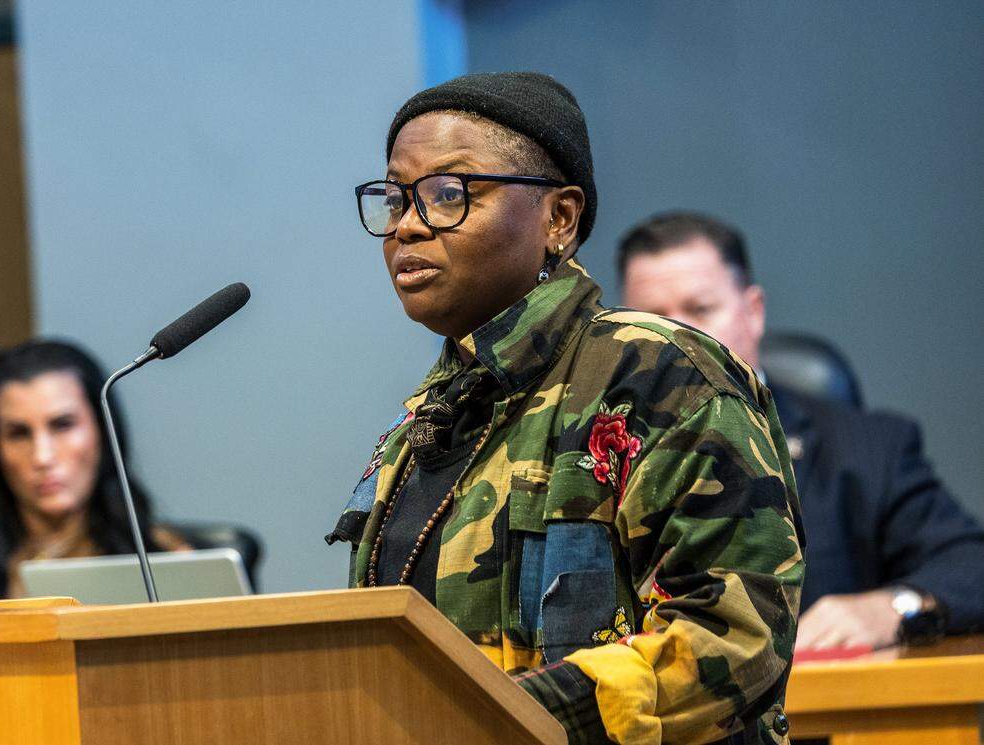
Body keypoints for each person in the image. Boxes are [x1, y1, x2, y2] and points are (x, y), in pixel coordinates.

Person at [329, 72, 804, 744]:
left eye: (447, 194)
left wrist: (500, 718)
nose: (407, 224)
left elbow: (736, 635)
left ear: (560, 218)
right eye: (396, 197)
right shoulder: (422, 426)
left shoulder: (657, 371)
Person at [616, 211, 984, 652]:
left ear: (753, 312)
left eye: (700, 310)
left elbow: (971, 565)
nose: (679, 338)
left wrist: (893, 605)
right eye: (653, 321)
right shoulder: (588, 453)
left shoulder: (867, 450)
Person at [0, 339, 189, 606]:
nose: (42, 457)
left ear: (103, 431)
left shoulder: (163, 557)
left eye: (62, 425)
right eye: (18, 434)